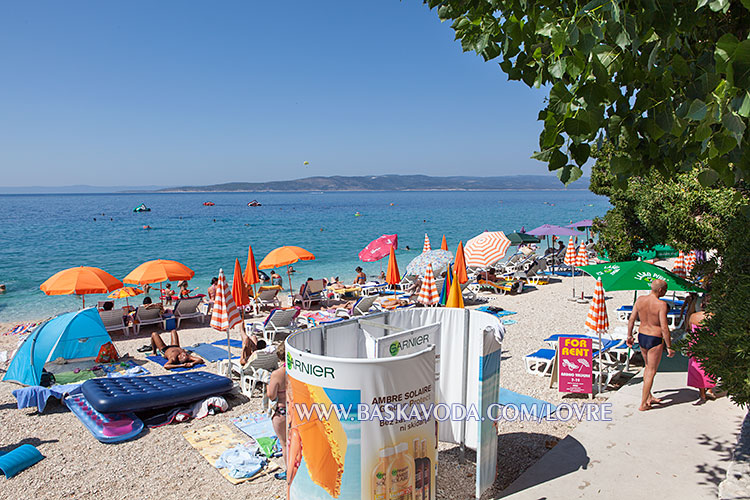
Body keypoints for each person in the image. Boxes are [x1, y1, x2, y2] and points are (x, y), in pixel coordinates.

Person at [626, 279, 675, 411]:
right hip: (655, 338)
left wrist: (629, 336)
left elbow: (631, 319)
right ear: (660, 290)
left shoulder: (640, 300)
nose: (666, 292)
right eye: (665, 290)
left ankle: (649, 396)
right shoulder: (661, 304)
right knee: (651, 371)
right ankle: (643, 404)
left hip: (642, 336)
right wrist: (669, 346)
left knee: (647, 367)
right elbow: (665, 327)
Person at [687, 299, 717, 404]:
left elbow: (689, 329)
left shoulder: (693, 316)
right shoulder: (714, 317)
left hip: (696, 345)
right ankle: (710, 390)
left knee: (698, 368)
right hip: (710, 344)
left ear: (701, 305)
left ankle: (702, 394)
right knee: (710, 367)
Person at [267, 343, 288, 480]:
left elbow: (271, 395)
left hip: (282, 411)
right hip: (296, 409)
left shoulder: (277, 374)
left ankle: (289, 472)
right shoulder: (297, 370)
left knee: (285, 443)